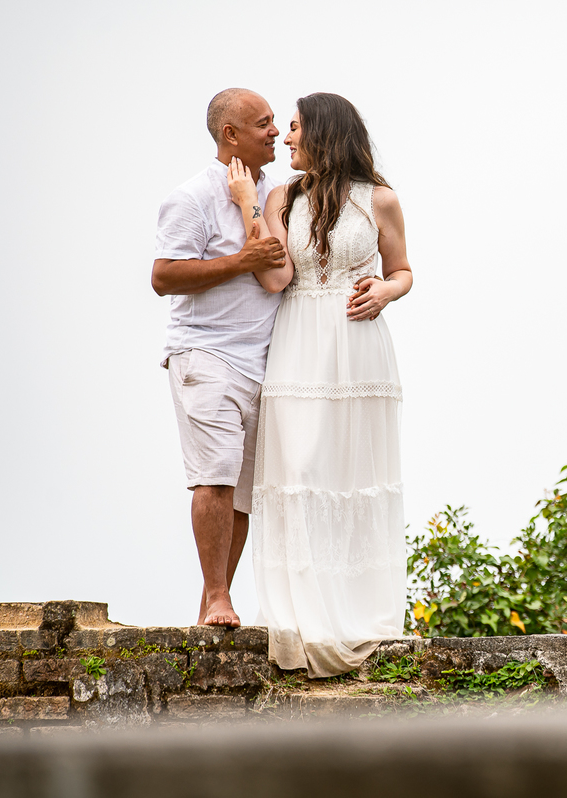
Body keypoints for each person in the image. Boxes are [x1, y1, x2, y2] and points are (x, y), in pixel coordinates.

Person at [227, 92, 413, 677]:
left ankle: (356, 614)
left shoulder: (380, 199)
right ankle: (302, 617)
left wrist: (386, 290)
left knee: (352, 473)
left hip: (358, 349)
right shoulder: (282, 196)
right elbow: (275, 277)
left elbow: (403, 271)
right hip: (300, 339)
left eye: (296, 129)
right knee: (299, 471)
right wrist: (245, 210)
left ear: (325, 134)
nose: (285, 140)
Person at [152, 88, 286, 627]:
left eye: (277, 122)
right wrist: (240, 260)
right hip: (205, 354)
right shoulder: (192, 197)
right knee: (215, 476)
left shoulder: (275, 192)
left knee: (244, 491)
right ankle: (215, 598)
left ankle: (218, 600)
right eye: (263, 123)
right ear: (230, 135)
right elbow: (163, 276)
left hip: (264, 364)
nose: (275, 132)